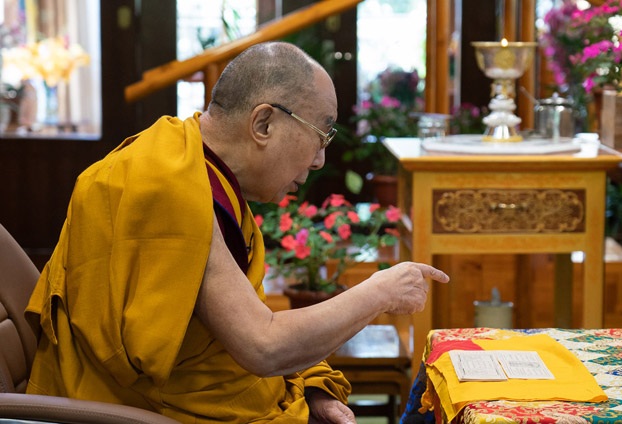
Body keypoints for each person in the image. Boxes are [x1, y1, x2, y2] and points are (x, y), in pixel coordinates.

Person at [24, 41, 449, 423]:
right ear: (263, 123)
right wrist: (380, 292)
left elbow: (232, 332)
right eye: (321, 135)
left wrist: (311, 389)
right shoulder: (165, 185)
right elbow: (262, 346)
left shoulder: (202, 173)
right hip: (141, 414)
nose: (320, 160)